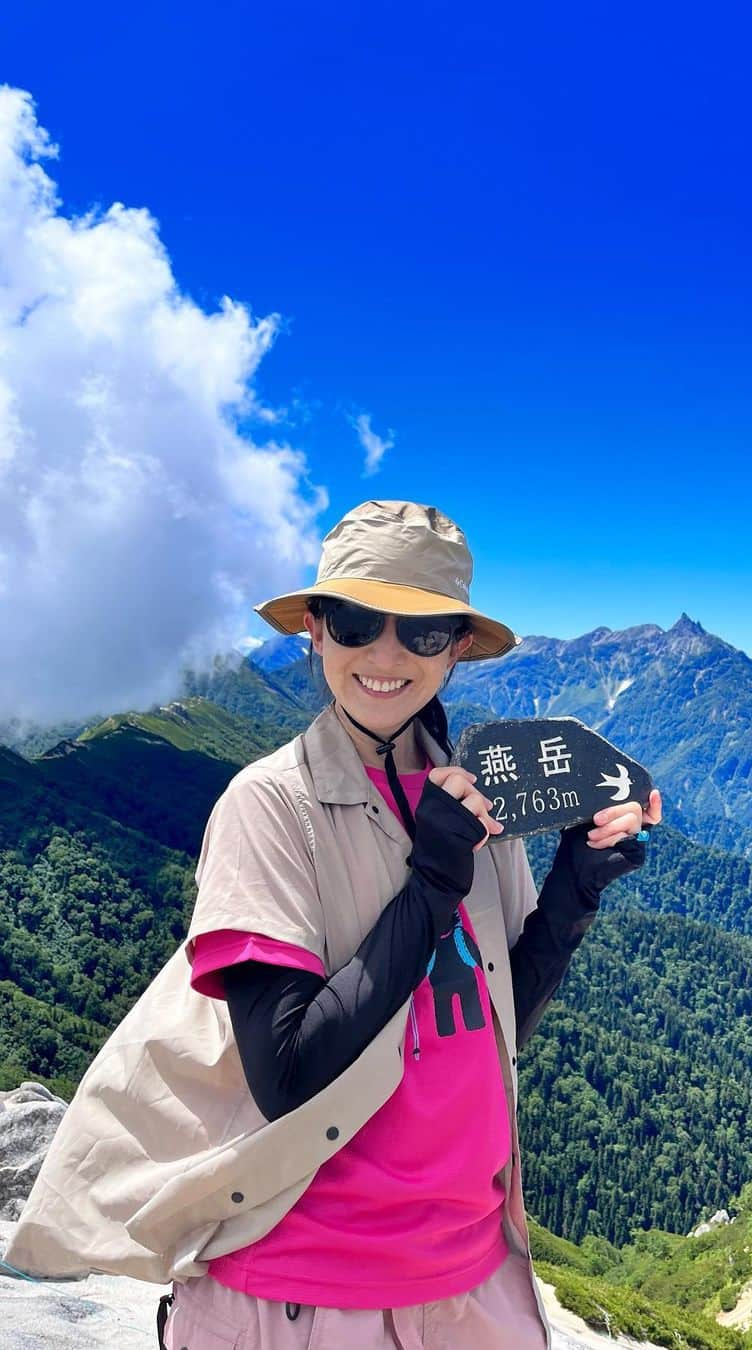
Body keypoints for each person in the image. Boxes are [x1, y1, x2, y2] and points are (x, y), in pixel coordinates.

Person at [6, 499, 662, 1349]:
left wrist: (577, 886)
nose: (385, 655)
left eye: (422, 631)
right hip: (301, 1295)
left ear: (458, 645)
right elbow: (288, 1073)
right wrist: (432, 882)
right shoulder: (270, 808)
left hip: (472, 1278)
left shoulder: (473, 795)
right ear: (314, 630)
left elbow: (496, 1024)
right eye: (355, 621)